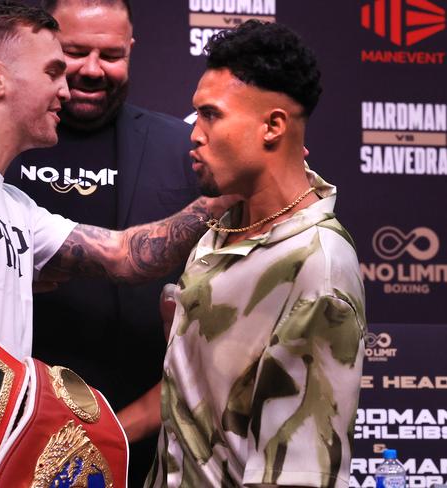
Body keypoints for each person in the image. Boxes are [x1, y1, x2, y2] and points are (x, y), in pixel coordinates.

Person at [0, 0, 229, 411]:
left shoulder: (10, 201)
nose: (66, 87)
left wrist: (231, 195)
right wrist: (39, 405)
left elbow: (122, 254)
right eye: (54, 70)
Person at [0, 1, 197, 482]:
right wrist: (28, 416)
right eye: (66, 57)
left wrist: (233, 195)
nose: (87, 72)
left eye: (111, 55)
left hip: (131, 438)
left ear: (131, 50)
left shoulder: (178, 146)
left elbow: (123, 254)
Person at [145, 21, 366, 487]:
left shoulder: (316, 266)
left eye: (211, 115)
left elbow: (301, 474)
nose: (194, 134)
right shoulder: (225, 229)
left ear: (273, 126)